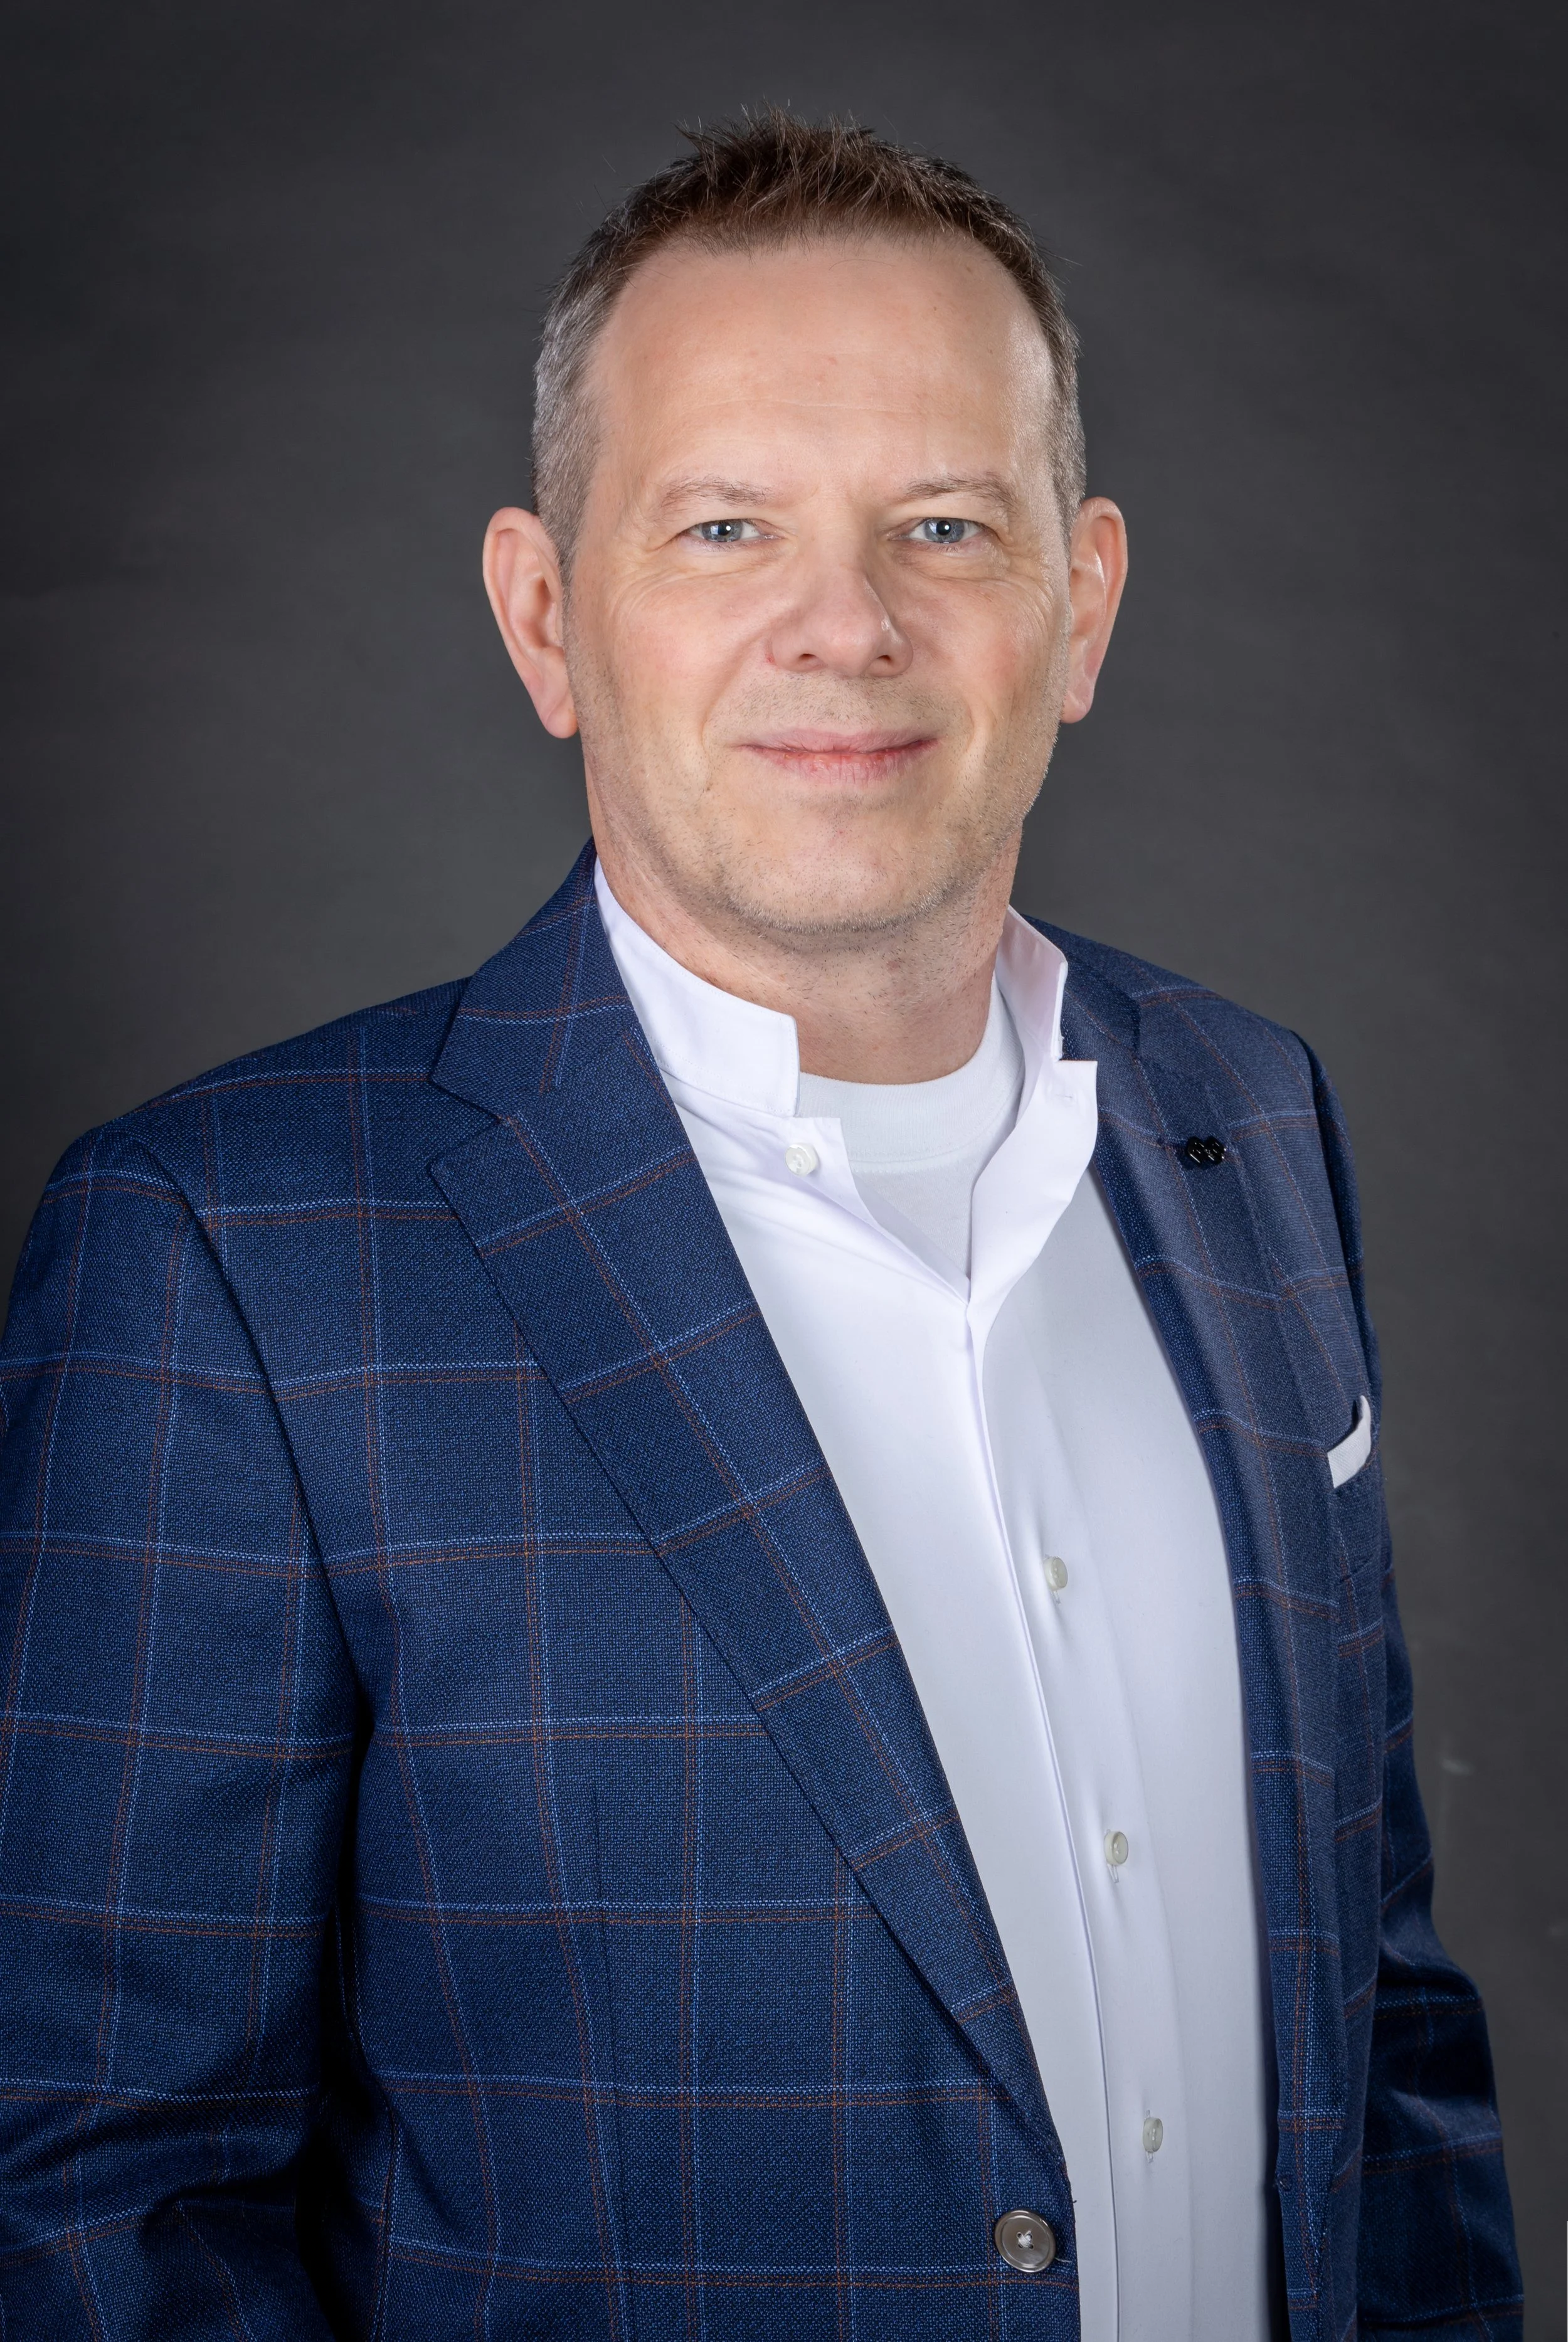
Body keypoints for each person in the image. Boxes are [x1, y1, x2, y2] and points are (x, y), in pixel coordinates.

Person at [0, 111, 1519, 2342]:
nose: (847, 624)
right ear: (548, 615)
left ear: (1076, 604)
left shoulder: (1250, 1125)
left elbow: (1378, 2026)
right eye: (724, 527)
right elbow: (96, 2198)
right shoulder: (230, 1255)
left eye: (942, 525)